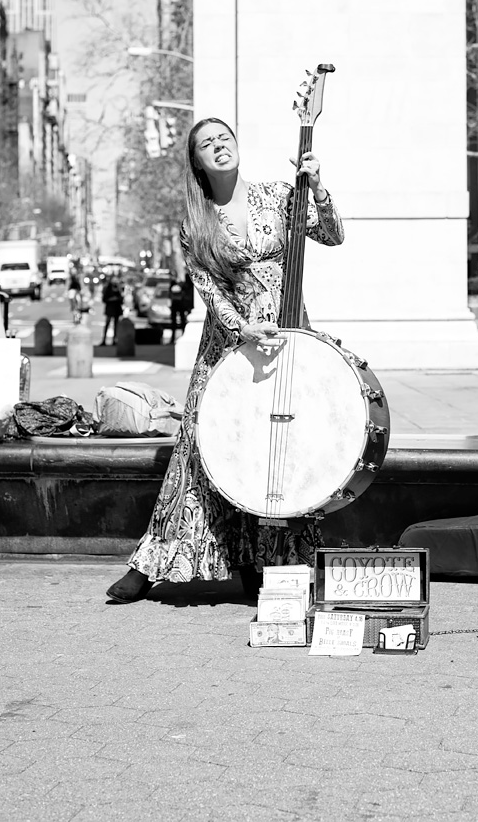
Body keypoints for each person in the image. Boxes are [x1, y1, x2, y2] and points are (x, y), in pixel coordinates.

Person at [105, 116, 344, 604]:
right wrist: (241, 329)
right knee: (200, 447)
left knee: (277, 446)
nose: (219, 147)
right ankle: (151, 564)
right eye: (207, 144)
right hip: (228, 344)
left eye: (224, 138)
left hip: (288, 337)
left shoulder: (279, 194)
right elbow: (209, 291)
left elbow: (333, 235)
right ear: (196, 161)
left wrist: (317, 190)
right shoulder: (195, 221)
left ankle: (267, 565)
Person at [101, 274, 124, 346]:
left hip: (117, 308)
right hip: (110, 308)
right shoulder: (107, 288)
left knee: (116, 325)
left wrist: (119, 292)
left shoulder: (119, 288)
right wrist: (112, 299)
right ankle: (104, 340)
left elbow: (121, 299)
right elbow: (104, 299)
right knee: (107, 324)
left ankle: (115, 340)